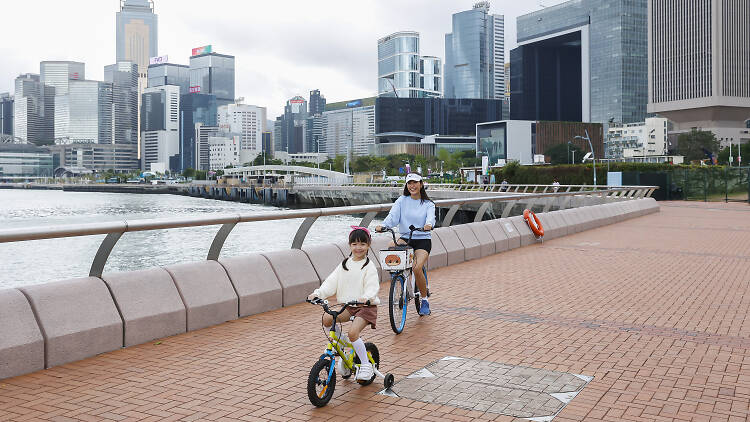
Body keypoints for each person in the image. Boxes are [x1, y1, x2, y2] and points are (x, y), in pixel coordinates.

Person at [307, 227, 380, 381]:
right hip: (349, 306)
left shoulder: (369, 267)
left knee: (353, 333)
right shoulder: (345, 264)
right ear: (349, 245)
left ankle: (366, 365)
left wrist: (366, 297)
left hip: (366, 307)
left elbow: (372, 287)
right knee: (327, 319)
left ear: (369, 245)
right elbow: (331, 282)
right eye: (354, 244)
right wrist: (318, 294)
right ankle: (342, 345)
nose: (358, 248)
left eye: (362, 244)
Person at [375, 173, 435, 315]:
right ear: (406, 185)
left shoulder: (428, 204)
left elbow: (431, 219)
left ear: (421, 184)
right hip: (406, 237)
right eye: (409, 183)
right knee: (391, 245)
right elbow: (393, 217)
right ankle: (398, 279)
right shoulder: (402, 200)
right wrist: (383, 225)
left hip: (423, 239)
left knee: (416, 267)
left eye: (415, 183)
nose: (412, 186)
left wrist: (428, 224)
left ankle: (425, 300)